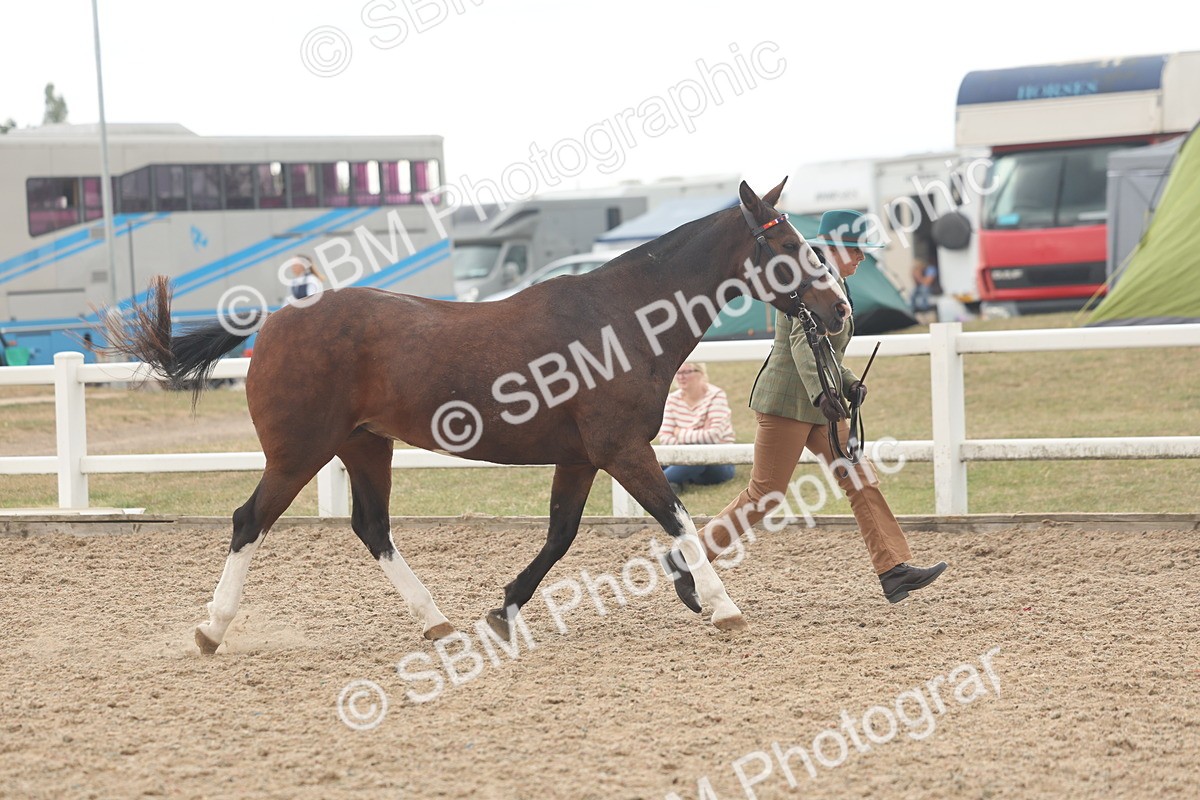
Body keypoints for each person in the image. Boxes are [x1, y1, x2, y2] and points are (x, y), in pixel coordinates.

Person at [664, 209, 947, 608]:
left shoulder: (834, 284)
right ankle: (687, 559)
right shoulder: (807, 283)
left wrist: (849, 384)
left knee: (859, 478)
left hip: (821, 405)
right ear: (833, 246)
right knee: (766, 494)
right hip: (789, 403)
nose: (862, 258)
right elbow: (802, 343)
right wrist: (822, 395)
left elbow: (826, 351)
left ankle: (893, 569)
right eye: (857, 250)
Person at [656, 362, 736, 493]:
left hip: (717, 462)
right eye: (678, 372)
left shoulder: (716, 395)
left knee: (700, 455)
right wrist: (699, 432)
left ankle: (657, 486)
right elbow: (665, 438)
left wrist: (679, 433)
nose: (681, 377)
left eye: (687, 372)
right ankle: (673, 483)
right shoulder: (671, 399)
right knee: (657, 458)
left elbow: (714, 435)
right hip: (681, 457)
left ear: (701, 373)